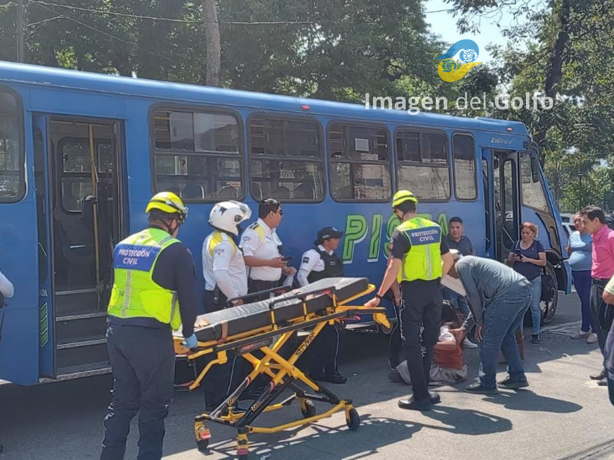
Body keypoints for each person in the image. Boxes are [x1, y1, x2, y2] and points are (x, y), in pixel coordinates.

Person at [100, 192, 198, 460]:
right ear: (174, 221)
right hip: (151, 337)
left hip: (117, 332)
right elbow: (188, 299)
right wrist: (189, 334)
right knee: (154, 406)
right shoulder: (175, 250)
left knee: (122, 402)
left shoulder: (124, 246)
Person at [365, 190, 454, 411]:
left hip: (413, 292)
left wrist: (378, 297)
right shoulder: (434, 228)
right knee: (429, 340)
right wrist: (438, 281)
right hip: (434, 291)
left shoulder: (401, 232)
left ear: (398, 211)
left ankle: (420, 396)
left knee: (412, 344)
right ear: (414, 208)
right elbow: (449, 259)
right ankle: (426, 391)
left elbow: (393, 268)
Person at [448, 250, 533, 394]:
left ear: (450, 263)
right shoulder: (473, 264)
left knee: (488, 340)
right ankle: (517, 376)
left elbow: (473, 297)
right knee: (507, 336)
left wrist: (480, 323)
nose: (448, 275)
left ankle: (487, 382)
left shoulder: (462, 266)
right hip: (524, 290)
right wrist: (465, 328)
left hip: (507, 295)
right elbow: (478, 304)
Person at [201, 200, 252, 410]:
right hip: (225, 303)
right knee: (230, 356)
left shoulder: (212, 239)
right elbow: (221, 275)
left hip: (216, 300)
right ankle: (227, 404)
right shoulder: (224, 243)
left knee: (217, 354)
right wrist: (235, 299)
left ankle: (215, 402)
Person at [296, 226, 347, 384]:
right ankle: (330, 373)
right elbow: (301, 276)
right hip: (317, 305)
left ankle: (318, 371)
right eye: (335, 238)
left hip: (330, 305)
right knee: (331, 336)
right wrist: (311, 296)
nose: (338, 241)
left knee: (324, 337)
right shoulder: (313, 255)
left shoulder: (333, 257)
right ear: (326, 241)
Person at [389, 301, 468, 387]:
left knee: (407, 368)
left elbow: (452, 344)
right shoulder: (449, 326)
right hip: (447, 366)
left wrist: (430, 345)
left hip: (448, 371)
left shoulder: (444, 330)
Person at [580, 206, 614, 382]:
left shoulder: (610, 237)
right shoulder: (595, 237)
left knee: (608, 329)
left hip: (609, 286)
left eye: (586, 222)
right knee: (599, 327)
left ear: (596, 220)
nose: (583, 225)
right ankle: (606, 366)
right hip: (595, 283)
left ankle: (611, 369)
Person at [240, 199, 296, 299]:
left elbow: (274, 256)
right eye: (280, 212)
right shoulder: (253, 232)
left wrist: (284, 268)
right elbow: (245, 258)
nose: (282, 216)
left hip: (274, 287)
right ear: (271, 214)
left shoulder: (272, 231)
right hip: (258, 289)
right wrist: (270, 263)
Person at [506, 222, 546, 344]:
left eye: (527, 233)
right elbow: (508, 261)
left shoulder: (538, 245)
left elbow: (543, 262)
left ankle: (536, 333)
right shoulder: (516, 244)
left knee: (534, 307)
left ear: (533, 234)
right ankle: (520, 334)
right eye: (523, 233)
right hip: (519, 281)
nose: (524, 235)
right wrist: (514, 259)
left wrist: (528, 260)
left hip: (534, 279)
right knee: (520, 308)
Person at [444, 216, 477, 349]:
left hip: (464, 283)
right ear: (449, 229)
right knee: (450, 313)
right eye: (452, 227)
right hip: (449, 284)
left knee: (468, 311)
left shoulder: (466, 241)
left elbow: (472, 257)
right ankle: (451, 340)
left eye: (457, 227)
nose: (455, 230)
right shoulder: (445, 243)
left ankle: (464, 337)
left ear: (462, 229)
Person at [567, 213, 598, 343]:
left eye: (579, 220)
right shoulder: (573, 235)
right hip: (576, 272)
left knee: (589, 301)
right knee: (583, 301)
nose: (577, 223)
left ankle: (596, 331)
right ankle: (585, 329)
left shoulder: (593, 235)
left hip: (590, 272)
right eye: (575, 221)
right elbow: (569, 250)